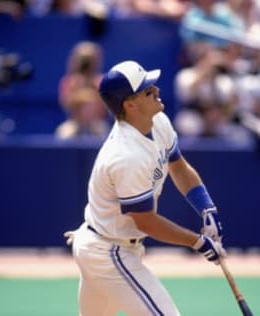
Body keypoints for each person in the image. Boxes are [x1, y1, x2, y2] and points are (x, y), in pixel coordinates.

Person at [64, 60, 226, 315]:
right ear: (130, 105)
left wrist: (206, 207)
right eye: (148, 90)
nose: (157, 90)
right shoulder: (126, 155)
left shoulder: (158, 121)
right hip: (108, 252)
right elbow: (146, 222)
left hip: (107, 243)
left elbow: (179, 167)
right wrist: (198, 242)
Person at [56, 41, 109, 139]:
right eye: (83, 59)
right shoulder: (70, 82)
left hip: (97, 124)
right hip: (75, 123)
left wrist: (91, 88)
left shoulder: (101, 81)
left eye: (89, 59)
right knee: (64, 134)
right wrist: (79, 86)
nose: (86, 63)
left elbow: (106, 106)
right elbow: (67, 104)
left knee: (104, 134)